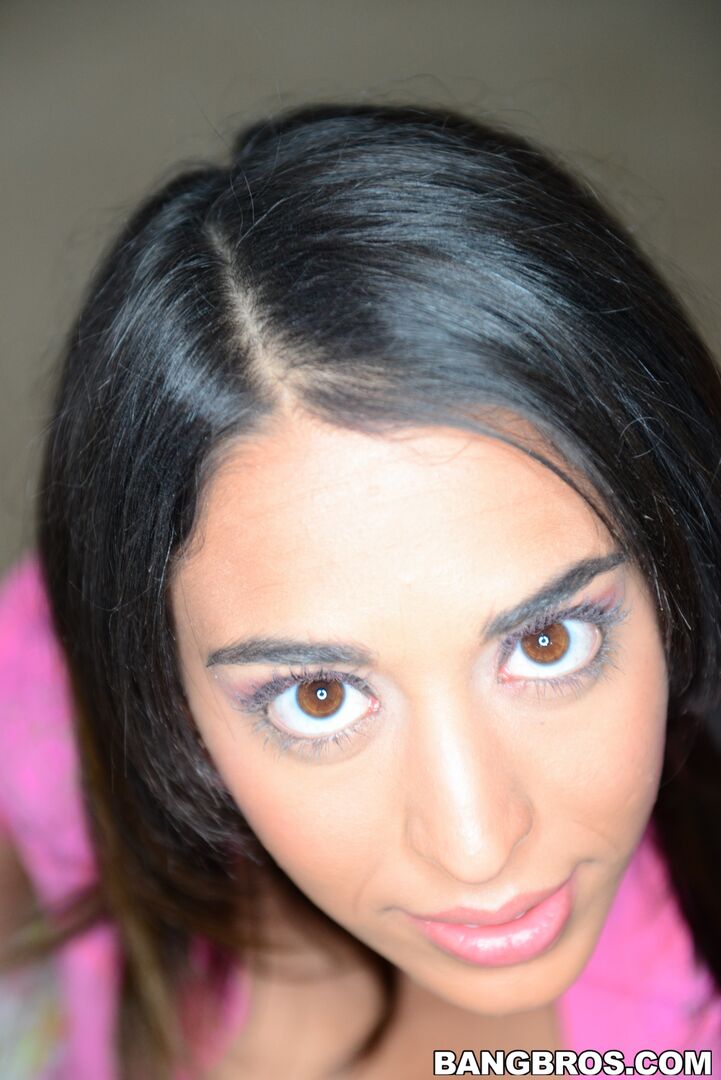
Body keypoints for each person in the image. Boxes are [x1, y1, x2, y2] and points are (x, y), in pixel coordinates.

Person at [0, 101, 720, 1080]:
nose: (474, 847)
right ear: (157, 675)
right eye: (320, 696)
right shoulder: (59, 701)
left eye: (549, 643)